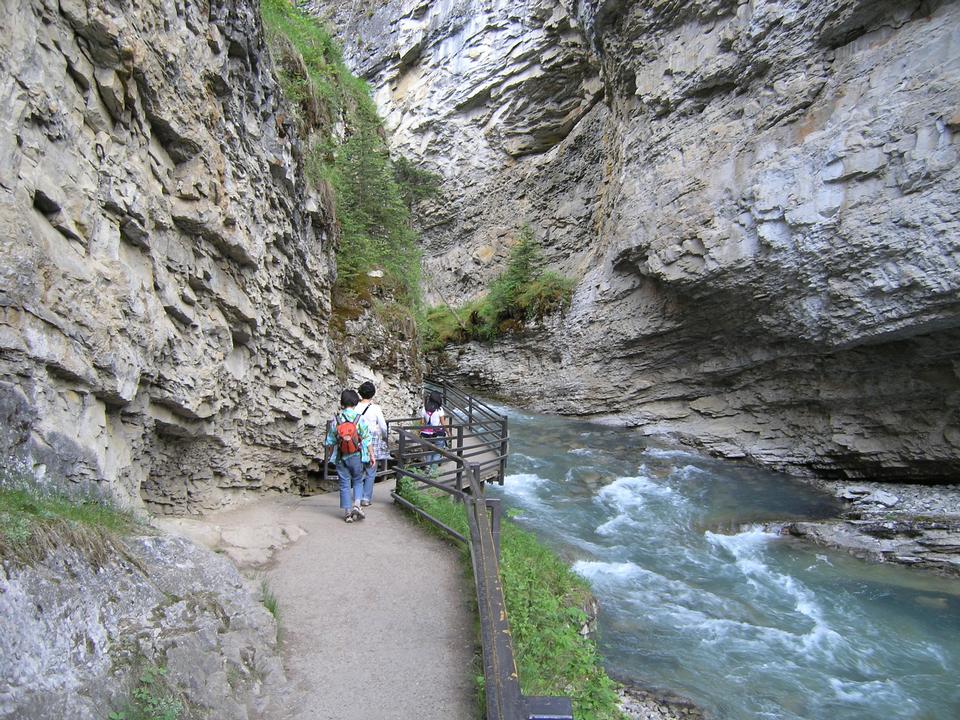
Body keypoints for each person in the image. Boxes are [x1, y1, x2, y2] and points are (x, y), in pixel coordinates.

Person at [325, 389, 373, 523]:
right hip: (357, 455)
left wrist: (330, 456)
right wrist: (372, 455)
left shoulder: (336, 420)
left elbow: (329, 441)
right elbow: (367, 438)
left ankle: (347, 513)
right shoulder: (360, 419)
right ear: (355, 402)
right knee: (358, 480)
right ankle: (357, 505)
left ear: (342, 402)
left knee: (344, 483)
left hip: (341, 456)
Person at [356, 380, 388, 507]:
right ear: (373, 394)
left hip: (357, 440)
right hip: (372, 441)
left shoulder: (355, 407)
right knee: (371, 469)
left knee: (358, 469)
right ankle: (366, 498)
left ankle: (357, 496)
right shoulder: (375, 408)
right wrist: (384, 437)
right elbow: (383, 427)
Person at [419, 390, 449, 466]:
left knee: (428, 452)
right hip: (438, 433)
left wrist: (419, 432)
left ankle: (427, 468)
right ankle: (433, 471)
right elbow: (443, 423)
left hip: (426, 434)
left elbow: (422, 423)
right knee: (437, 452)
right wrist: (448, 432)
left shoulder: (424, 408)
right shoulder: (439, 409)